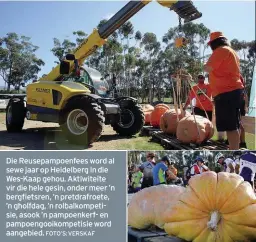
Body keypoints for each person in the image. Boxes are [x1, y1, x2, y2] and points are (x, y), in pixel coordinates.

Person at [204, 31, 244, 150]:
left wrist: (203, 64)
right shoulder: (231, 52)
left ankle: (233, 149)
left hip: (227, 93)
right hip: (233, 91)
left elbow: (207, 68)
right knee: (233, 125)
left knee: (230, 127)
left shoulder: (221, 51)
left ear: (214, 43)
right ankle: (234, 147)